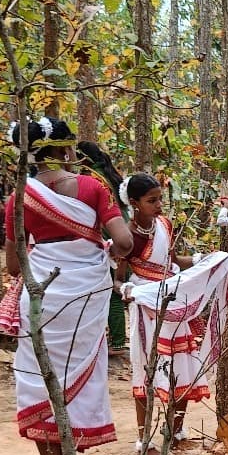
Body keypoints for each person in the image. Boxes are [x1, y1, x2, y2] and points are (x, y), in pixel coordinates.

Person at [4, 117, 133, 455]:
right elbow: (124, 243)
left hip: (41, 294)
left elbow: (13, 266)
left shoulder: (18, 197)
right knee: (79, 375)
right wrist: (104, 248)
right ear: (64, 149)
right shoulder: (93, 188)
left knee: (38, 377)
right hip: (86, 297)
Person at [117, 173, 214, 451]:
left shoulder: (164, 225)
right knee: (146, 368)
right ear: (134, 203)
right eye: (152, 201)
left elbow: (173, 261)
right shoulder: (128, 237)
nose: (159, 205)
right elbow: (117, 279)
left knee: (180, 366)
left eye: (160, 199)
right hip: (146, 311)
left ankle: (176, 430)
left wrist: (202, 260)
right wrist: (128, 290)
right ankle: (144, 438)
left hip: (172, 304)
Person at [76, 141, 130, 356]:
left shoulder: (91, 179)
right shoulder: (108, 174)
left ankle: (117, 343)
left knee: (112, 292)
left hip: (110, 240)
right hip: (122, 235)